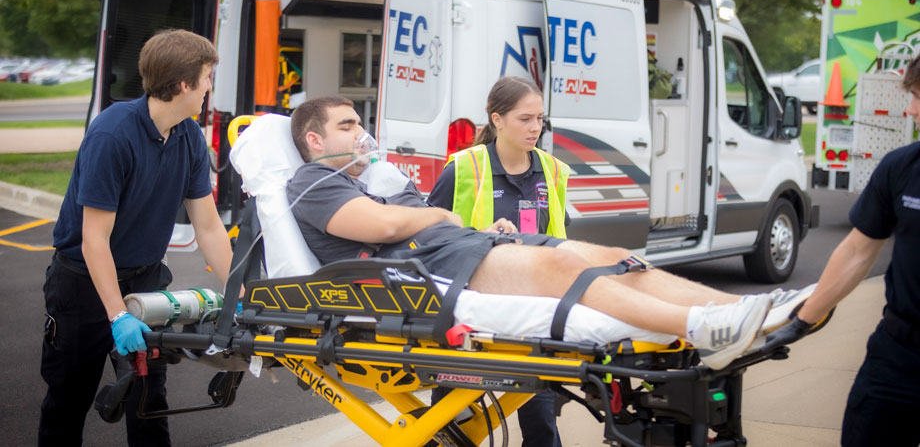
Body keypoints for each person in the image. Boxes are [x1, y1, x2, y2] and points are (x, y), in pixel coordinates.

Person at [285, 96, 813, 375]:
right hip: (425, 271)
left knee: (613, 256)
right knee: (566, 271)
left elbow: (416, 219)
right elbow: (387, 228)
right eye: (348, 125)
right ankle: (703, 328)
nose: (362, 132)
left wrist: (459, 225)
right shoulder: (312, 182)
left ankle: (754, 310)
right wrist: (442, 220)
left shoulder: (377, 180)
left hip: (462, 245)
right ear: (315, 139)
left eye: (359, 123)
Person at [39, 29, 233, 447]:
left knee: (149, 401)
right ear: (184, 85)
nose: (208, 90)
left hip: (145, 281)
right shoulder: (113, 134)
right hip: (83, 285)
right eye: (206, 79)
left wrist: (240, 294)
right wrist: (116, 315)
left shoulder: (188, 138)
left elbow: (209, 226)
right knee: (67, 401)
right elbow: (94, 239)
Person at [772, 53, 920, 447]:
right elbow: (858, 249)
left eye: (919, 97)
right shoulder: (902, 167)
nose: (912, 109)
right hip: (900, 353)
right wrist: (804, 318)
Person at [427, 76, 568, 446]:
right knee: (453, 420)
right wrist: (480, 238)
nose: (535, 127)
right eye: (525, 119)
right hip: (471, 308)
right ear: (497, 120)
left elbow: (560, 240)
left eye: (540, 118)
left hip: (532, 309)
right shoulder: (462, 169)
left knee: (540, 419)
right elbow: (425, 238)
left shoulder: (552, 171)